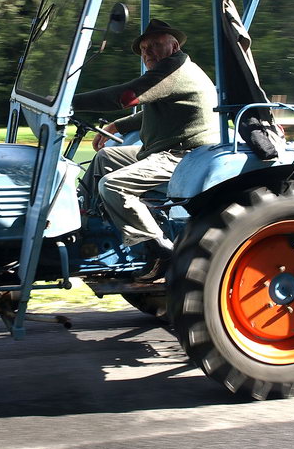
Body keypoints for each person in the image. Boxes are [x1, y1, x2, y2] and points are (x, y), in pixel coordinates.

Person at [73, 19, 220, 281]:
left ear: (173, 45)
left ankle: (159, 250)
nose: (147, 53)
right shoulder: (171, 71)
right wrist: (119, 124)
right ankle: (85, 222)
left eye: (154, 45)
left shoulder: (175, 71)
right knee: (105, 157)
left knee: (113, 185)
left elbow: (125, 97)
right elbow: (157, 111)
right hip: (163, 150)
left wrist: (67, 101)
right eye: (143, 48)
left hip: (185, 157)